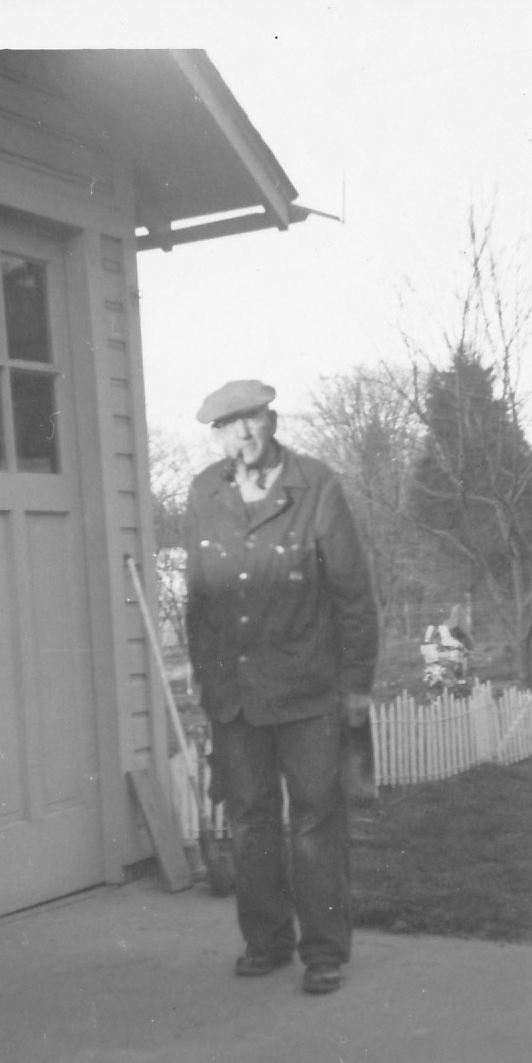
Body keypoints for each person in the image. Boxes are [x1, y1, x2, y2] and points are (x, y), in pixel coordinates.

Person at [185, 379, 379, 995]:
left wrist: (356, 685)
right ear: (217, 435)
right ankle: (265, 941)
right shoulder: (204, 492)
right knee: (250, 820)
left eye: (253, 419)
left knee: (316, 821)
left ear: (272, 420)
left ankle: (323, 952)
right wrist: (207, 681)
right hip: (235, 694)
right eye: (229, 425)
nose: (243, 433)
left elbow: (353, 593)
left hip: (307, 690)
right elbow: (199, 599)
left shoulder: (314, 484)